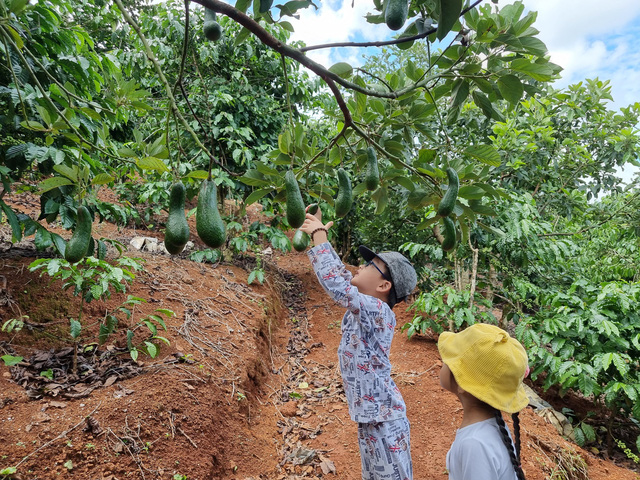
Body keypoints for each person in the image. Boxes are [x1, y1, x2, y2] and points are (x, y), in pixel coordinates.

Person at [298, 207, 417, 480]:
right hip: (371, 416)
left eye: (369, 265)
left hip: (384, 419)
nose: (360, 266)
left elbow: (338, 286)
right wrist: (320, 235)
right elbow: (340, 275)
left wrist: (319, 235)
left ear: (384, 286)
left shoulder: (377, 311)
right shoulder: (367, 306)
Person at [437, 323, 529, 480]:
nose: (442, 362)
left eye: (449, 359)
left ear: (462, 383)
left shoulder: (474, 445)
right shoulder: (491, 427)